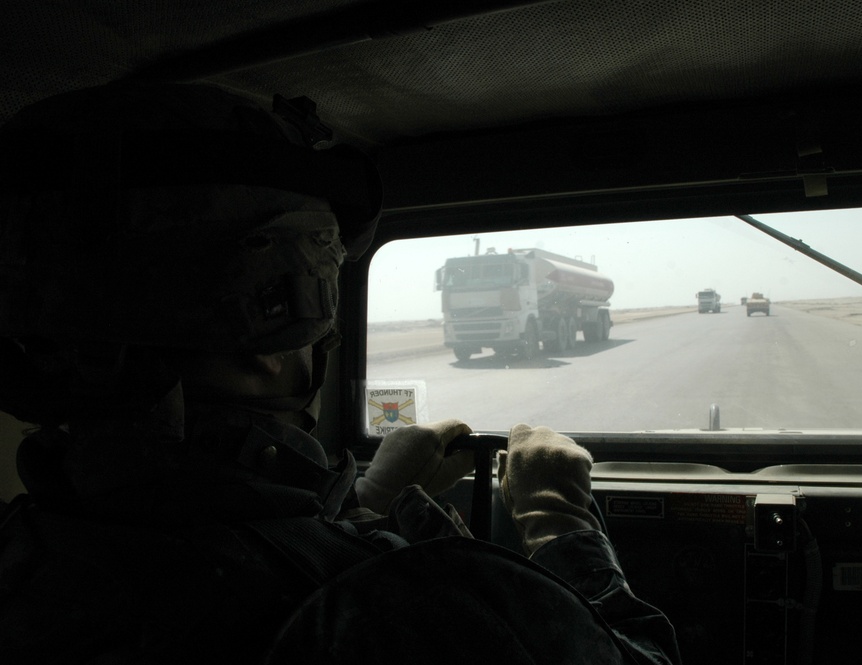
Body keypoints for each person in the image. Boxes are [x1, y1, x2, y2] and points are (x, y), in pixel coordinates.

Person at [0, 81, 681, 664]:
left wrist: (369, 502)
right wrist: (559, 520)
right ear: (273, 326)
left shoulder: (25, 550)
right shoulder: (426, 601)